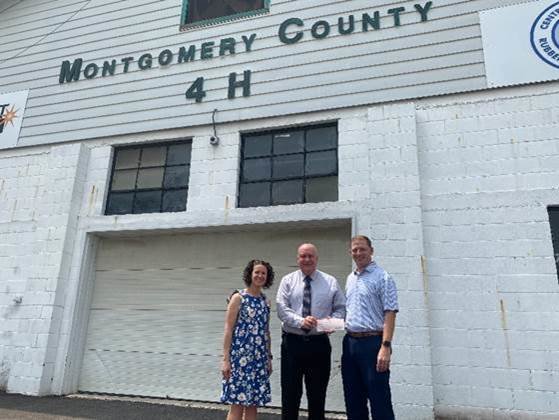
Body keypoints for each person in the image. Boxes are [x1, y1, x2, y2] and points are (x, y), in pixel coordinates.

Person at [276, 243, 346, 420]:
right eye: (303, 256)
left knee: (317, 396)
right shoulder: (287, 281)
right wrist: (301, 322)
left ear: (317, 258)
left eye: (310, 256)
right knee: (290, 395)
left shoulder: (330, 282)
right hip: (292, 345)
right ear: (297, 258)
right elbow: (281, 309)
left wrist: (330, 325)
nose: (307, 259)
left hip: (319, 345)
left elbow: (341, 309)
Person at [342, 235, 399, 420]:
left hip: (373, 344)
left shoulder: (383, 277)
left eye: (362, 249)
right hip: (350, 344)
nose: (358, 253)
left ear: (371, 251)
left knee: (379, 399)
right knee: (353, 400)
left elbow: (390, 312)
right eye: (355, 250)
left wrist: (386, 346)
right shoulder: (350, 278)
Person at [221, 259, 275, 420]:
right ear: (250, 274)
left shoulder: (266, 302)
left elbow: (266, 332)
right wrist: (225, 359)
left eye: (263, 273)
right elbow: (228, 329)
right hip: (239, 359)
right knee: (237, 404)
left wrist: (269, 358)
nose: (260, 275)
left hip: (258, 360)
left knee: (253, 405)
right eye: (257, 272)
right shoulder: (238, 298)